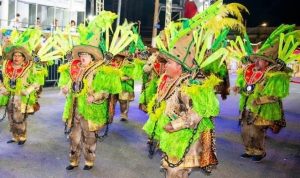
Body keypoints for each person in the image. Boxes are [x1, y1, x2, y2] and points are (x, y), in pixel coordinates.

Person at [58, 17, 122, 170]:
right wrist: (65, 88)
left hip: (90, 110)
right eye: (81, 55)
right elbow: (69, 82)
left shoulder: (100, 71)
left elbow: (106, 91)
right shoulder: (75, 68)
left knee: (89, 137)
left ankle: (89, 160)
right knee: (74, 137)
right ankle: (73, 161)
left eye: (85, 55)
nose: (82, 57)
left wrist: (95, 96)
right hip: (74, 109)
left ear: (92, 57)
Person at [232, 24, 298, 162]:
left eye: (260, 59)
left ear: (267, 63)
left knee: (256, 132)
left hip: (261, 109)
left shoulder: (273, 75)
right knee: (245, 131)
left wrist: (259, 100)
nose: (256, 61)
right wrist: (239, 88)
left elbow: (275, 96)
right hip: (246, 107)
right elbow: (247, 87)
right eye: (256, 59)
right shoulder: (251, 71)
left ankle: (259, 152)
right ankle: (249, 150)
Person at [0, 46, 41, 145]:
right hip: (9, 95)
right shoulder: (6, 66)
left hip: (21, 97)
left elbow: (36, 82)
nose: (16, 58)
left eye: (19, 56)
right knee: (10, 116)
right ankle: (14, 136)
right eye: (15, 55)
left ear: (23, 58)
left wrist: (28, 90)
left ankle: (22, 136)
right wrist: (2, 88)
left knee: (19, 117)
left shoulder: (29, 67)